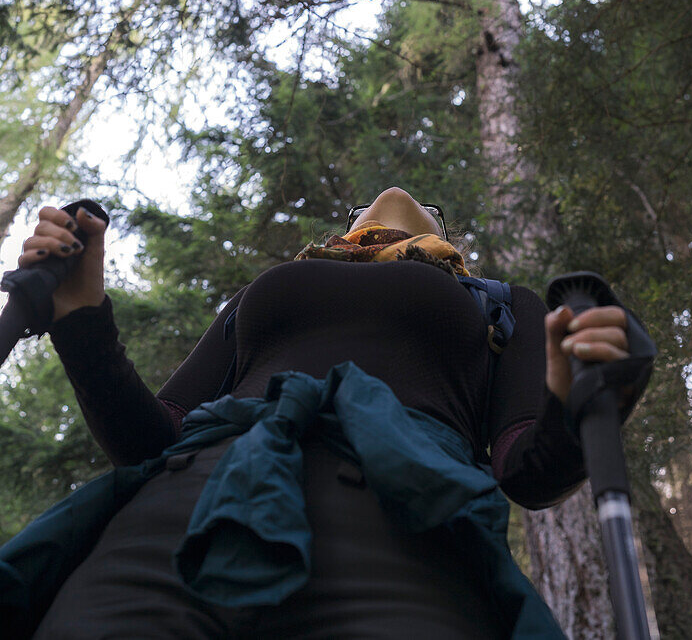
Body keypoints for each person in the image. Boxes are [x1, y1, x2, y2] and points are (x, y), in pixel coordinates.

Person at [16, 187, 632, 639]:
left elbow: (527, 469)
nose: (391, 199)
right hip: (181, 516)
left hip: (402, 532)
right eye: (361, 207)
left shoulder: (500, 305)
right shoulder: (267, 287)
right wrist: (80, 317)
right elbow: (154, 438)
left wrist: (581, 400)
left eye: (432, 212)